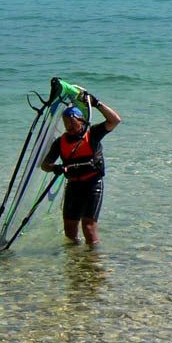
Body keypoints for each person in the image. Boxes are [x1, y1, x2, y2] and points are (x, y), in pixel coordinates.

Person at [40, 90, 121, 246]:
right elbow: (45, 165)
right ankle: (74, 262)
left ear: (82, 121)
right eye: (65, 123)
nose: (68, 126)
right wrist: (55, 168)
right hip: (74, 185)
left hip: (93, 184)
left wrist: (96, 103)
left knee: (88, 227)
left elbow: (115, 120)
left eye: (72, 122)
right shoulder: (60, 142)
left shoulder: (93, 134)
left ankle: (92, 260)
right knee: (70, 230)